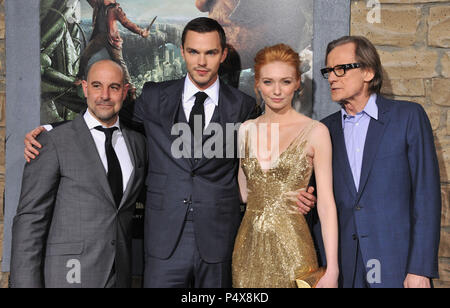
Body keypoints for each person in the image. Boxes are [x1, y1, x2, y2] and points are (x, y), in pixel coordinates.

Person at [23, 18, 313, 288]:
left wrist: (293, 192)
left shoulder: (243, 106)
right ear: (183, 52)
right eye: (194, 52)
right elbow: (106, 115)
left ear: (223, 55)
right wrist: (52, 129)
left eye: (210, 53)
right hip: (163, 239)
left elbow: (267, 163)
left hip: (219, 239)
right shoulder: (154, 97)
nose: (201, 61)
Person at [300, 36, 442, 288]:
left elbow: (426, 197)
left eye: (340, 69)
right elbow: (320, 200)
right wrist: (306, 201)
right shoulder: (324, 130)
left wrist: (419, 269)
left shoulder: (408, 117)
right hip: (342, 268)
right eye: (328, 71)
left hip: (396, 267)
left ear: (368, 72)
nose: (332, 78)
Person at [11, 60, 147, 288]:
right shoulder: (52, 141)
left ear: (125, 91)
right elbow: (30, 222)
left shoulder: (138, 144)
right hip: (67, 276)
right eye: (96, 86)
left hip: (120, 276)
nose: (104, 95)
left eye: (113, 87)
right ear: (84, 88)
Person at [232, 44, 339, 288]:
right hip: (247, 251)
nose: (277, 91)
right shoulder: (246, 130)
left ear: (298, 83)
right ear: (257, 83)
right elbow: (245, 193)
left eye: (286, 81)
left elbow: (326, 203)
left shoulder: (316, 132)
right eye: (268, 82)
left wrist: (332, 268)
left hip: (294, 251)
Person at [77, 0, 150, 91]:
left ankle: (130, 88)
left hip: (112, 39)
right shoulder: (98, 4)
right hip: (99, 37)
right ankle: (79, 78)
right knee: (85, 55)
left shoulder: (116, 10)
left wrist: (141, 32)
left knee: (119, 62)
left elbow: (127, 23)